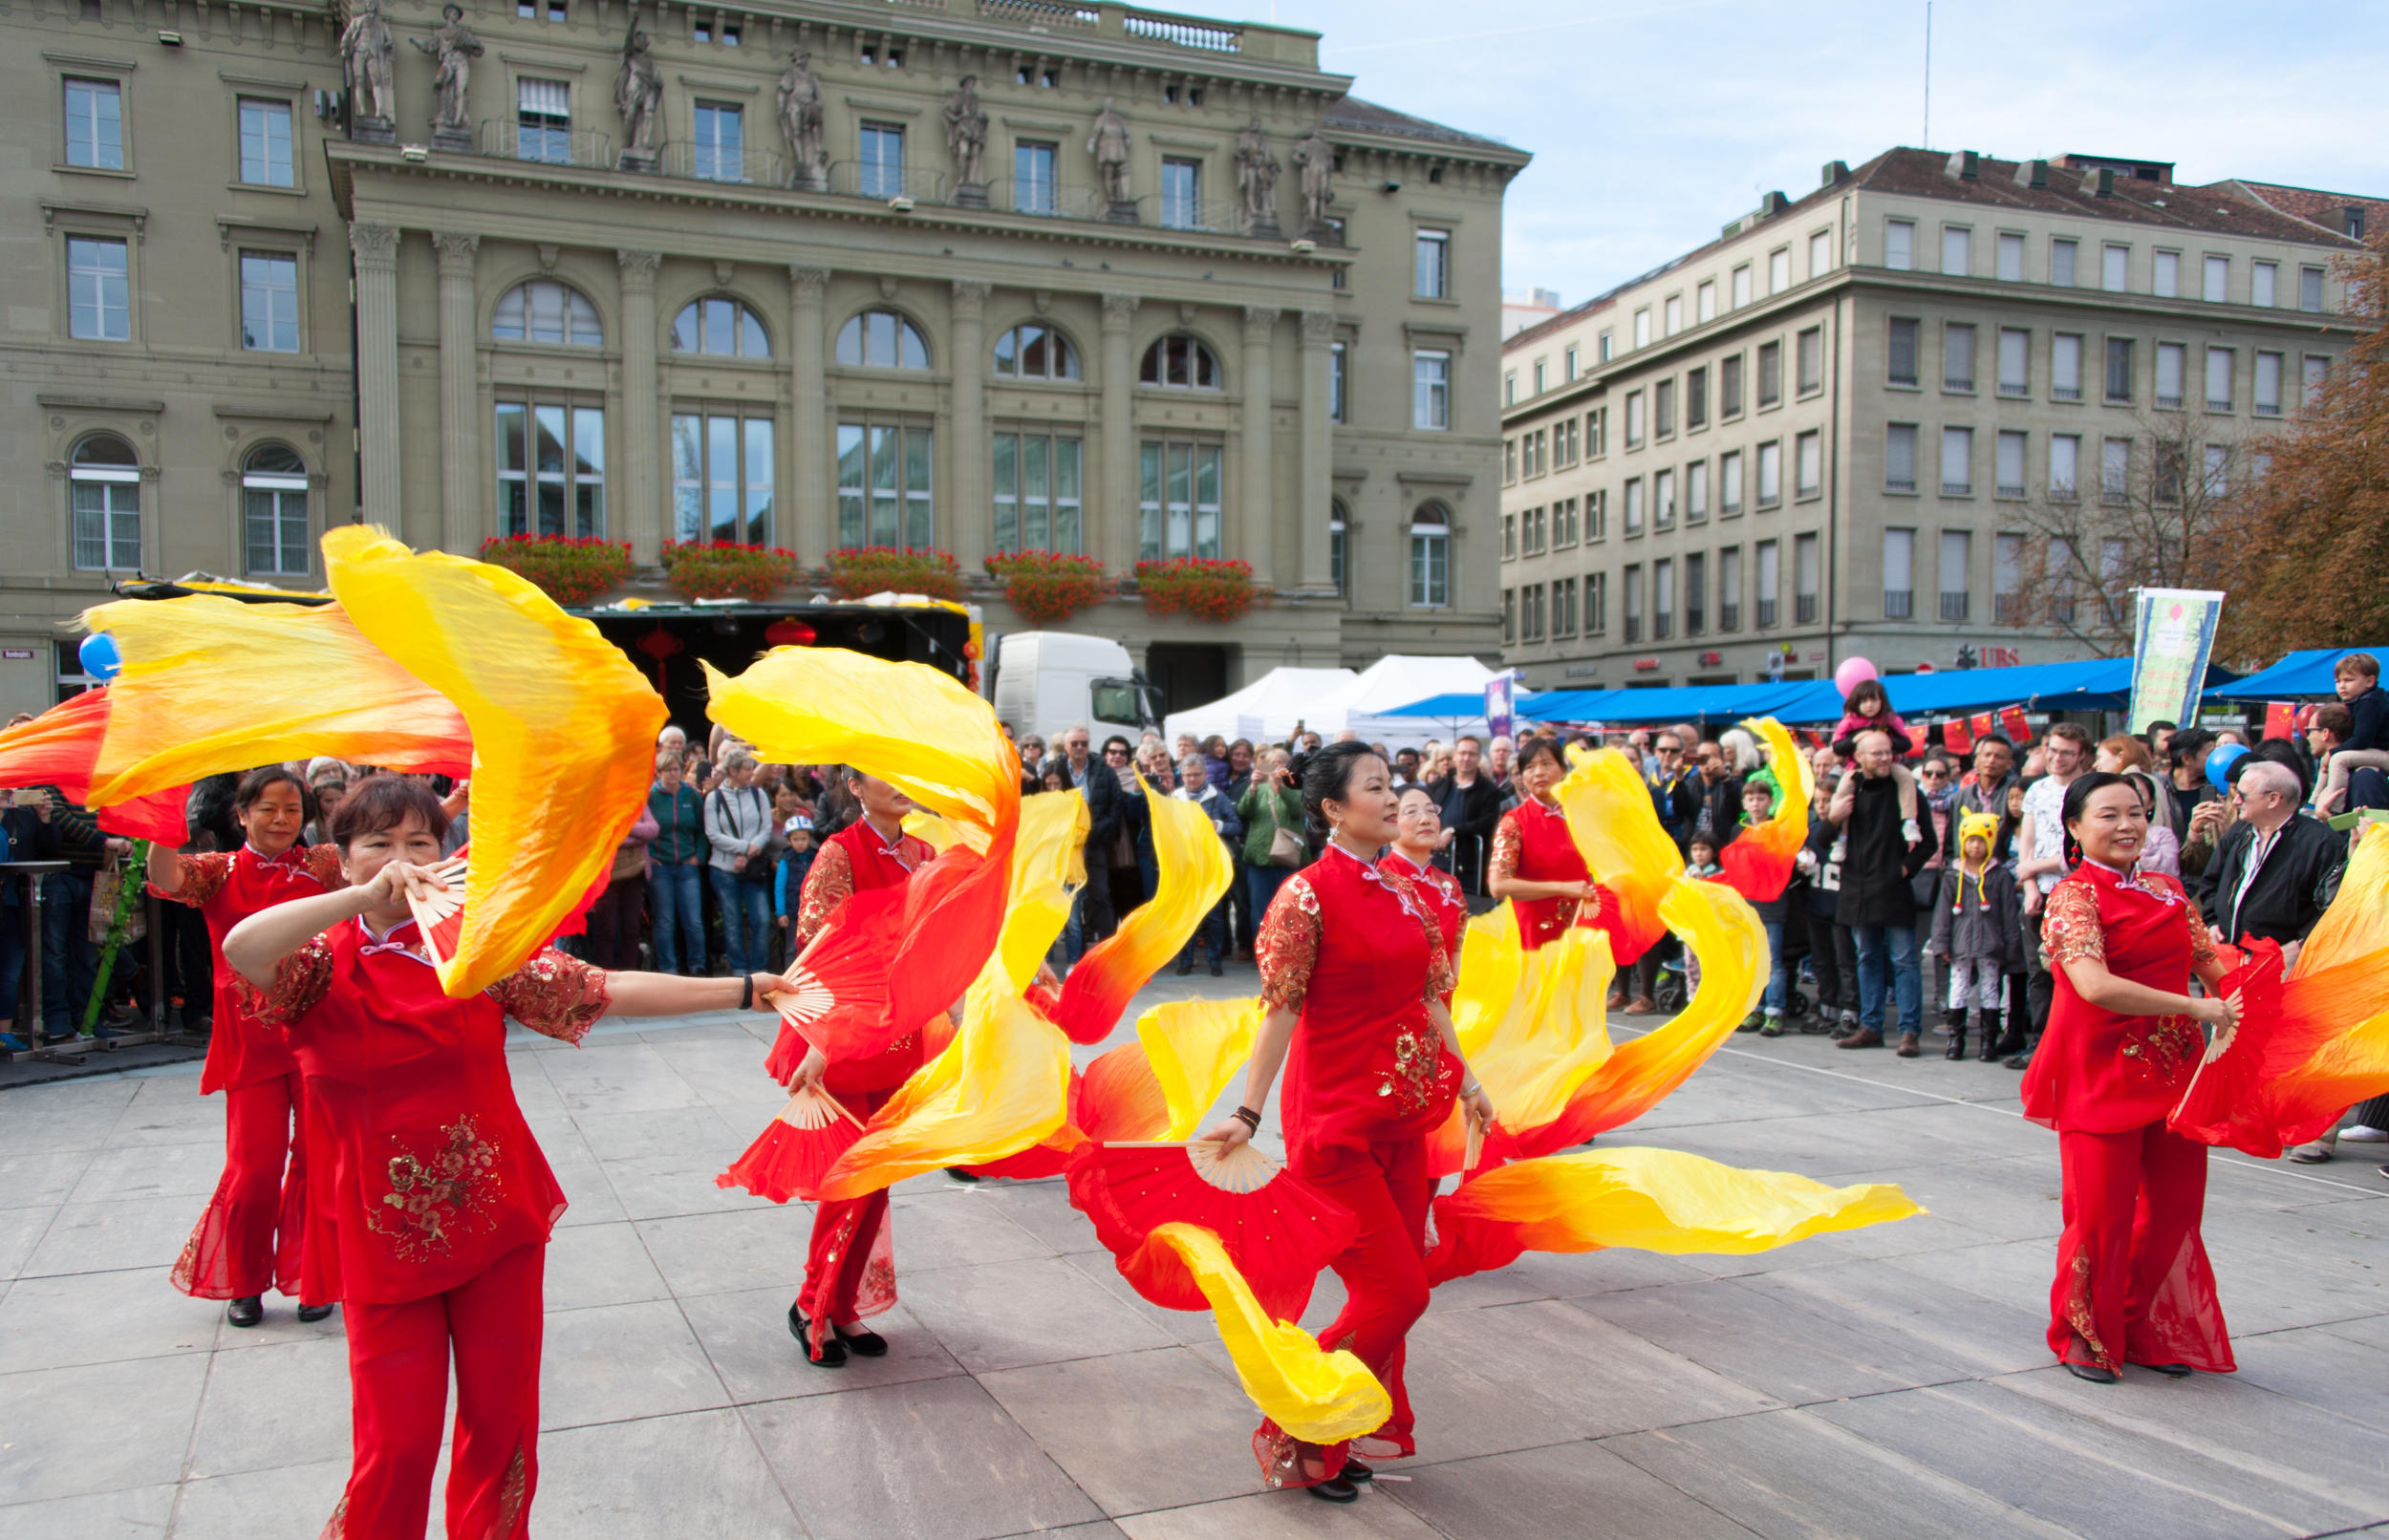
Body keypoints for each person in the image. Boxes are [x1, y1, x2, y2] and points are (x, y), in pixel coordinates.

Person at [221, 774, 781, 1539]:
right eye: (377, 845)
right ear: (341, 858)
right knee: (397, 1443)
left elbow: (604, 987)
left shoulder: (479, 953)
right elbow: (239, 946)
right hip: (381, 1238)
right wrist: (361, 901)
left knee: (501, 1425)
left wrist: (745, 990)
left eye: (419, 843)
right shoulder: (316, 964)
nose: (401, 861)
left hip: (496, 1225)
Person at [1207, 743, 1493, 1502]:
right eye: (1377, 787)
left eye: (1393, 783)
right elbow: (1280, 1008)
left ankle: (1337, 1433)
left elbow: (1431, 998)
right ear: (1334, 809)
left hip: (1402, 1121)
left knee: (1392, 1292)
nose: (1395, 797)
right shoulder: (1306, 895)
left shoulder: (1406, 890)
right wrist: (1247, 1112)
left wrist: (1468, 1081)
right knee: (1400, 1293)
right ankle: (1298, 1420)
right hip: (1334, 1125)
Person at [2020, 772, 2239, 1384]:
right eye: (2109, 814)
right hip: (2100, 1072)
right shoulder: (2073, 897)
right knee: (2100, 1215)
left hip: (2174, 1072)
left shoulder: (2170, 890)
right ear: (2074, 827)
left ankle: (2142, 1326)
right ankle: (2082, 1335)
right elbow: (2094, 985)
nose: (2126, 826)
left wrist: (2281, 975)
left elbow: (2214, 966)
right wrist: (2198, 1008)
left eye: (2137, 813)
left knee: (2172, 1211)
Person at [143, 767, 339, 1328]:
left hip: (317, 1035)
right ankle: (245, 1280)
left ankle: (312, 1277)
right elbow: (165, 875)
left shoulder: (323, 865)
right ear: (242, 814)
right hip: (249, 1044)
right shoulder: (219, 871)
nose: (282, 820)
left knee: (319, 1161)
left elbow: (381, 853)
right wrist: (163, 821)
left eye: (293, 810)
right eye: (269, 809)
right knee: (252, 1169)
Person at [782, 766, 940, 1366]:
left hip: (899, 1034)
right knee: (846, 1182)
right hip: (846, 1035)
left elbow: (944, 936)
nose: (902, 782)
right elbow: (820, 953)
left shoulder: (924, 852)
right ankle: (809, 1307)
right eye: (885, 773)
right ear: (854, 785)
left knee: (876, 1180)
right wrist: (825, 1043)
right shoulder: (838, 854)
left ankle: (843, 1307)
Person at [1825, 728, 1938, 1055]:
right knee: (1867, 958)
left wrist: (1904, 868)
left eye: (1888, 752)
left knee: (1904, 960)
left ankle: (1909, 1031)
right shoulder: (1850, 788)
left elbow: (1928, 841)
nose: (1886, 758)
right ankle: (1871, 1026)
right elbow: (1822, 839)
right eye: (1878, 754)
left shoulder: (1907, 789)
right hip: (1858, 889)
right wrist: (1833, 819)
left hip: (1893, 888)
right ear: (1859, 758)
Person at [2012, 723, 2092, 1068]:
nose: (2057, 759)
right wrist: (2029, 883)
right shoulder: (2037, 790)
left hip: (2073, 887)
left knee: (2073, 971)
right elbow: (2024, 845)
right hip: (2040, 890)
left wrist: (2034, 867)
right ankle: (2040, 1042)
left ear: (2081, 756)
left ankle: (2072, 1045)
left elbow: (2082, 851)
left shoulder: (2087, 790)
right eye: (2052, 750)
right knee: (2038, 972)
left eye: (2066, 753)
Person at [1487, 737, 1607, 958]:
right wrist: (1563, 888)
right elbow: (1498, 885)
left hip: (1582, 923)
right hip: (1534, 931)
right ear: (1522, 777)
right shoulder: (1514, 822)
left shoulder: (1580, 815)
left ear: (1563, 770)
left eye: (1546, 764)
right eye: (1530, 767)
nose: (1538, 773)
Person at [1926, 810, 2024, 1061]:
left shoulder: (2000, 876)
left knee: (1990, 990)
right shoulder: (1952, 876)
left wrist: (2011, 948)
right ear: (1962, 842)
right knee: (1957, 990)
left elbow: (2009, 915)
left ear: (1990, 843)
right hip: (1959, 945)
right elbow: (1942, 915)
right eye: (1970, 840)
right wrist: (1941, 943)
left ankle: (1987, 1042)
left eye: (1981, 840)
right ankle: (1955, 1040)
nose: (1975, 845)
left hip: (1991, 945)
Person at [1729, 780, 1794, 1036]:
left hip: (1772, 904)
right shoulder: (1739, 830)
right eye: (1751, 799)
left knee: (1774, 960)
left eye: (1761, 799)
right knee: (1754, 960)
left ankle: (1775, 1011)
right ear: (1744, 803)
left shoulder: (1777, 829)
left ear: (1771, 801)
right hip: (1748, 903)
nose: (1756, 804)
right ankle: (1754, 1008)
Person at [704, 750, 776, 977]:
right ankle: (738, 969)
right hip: (725, 869)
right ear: (733, 771)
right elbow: (713, 834)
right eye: (747, 768)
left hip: (753, 867)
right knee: (732, 920)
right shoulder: (714, 798)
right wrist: (744, 848)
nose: (751, 773)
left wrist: (752, 849)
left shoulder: (759, 795)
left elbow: (766, 828)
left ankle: (758, 968)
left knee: (762, 918)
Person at [1382, 784, 1468, 972]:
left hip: (1443, 998)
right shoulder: (1378, 881)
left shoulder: (1450, 886)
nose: (1425, 820)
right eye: (1411, 812)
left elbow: (1457, 958)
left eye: (1431, 811)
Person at [1172, 755, 1241, 976]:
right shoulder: (1175, 797)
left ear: (1204, 774)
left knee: (1214, 915)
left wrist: (1217, 825)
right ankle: (1186, 960)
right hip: (1185, 864)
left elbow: (1236, 825)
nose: (1192, 779)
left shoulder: (1217, 797)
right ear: (1182, 776)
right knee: (1186, 916)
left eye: (1196, 775)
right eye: (1188, 775)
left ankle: (1214, 959)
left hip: (1211, 864)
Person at [645, 747, 706, 976]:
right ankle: (668, 968)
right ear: (658, 773)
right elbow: (645, 826)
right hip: (662, 865)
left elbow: (702, 830)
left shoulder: (691, 795)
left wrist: (698, 856)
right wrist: (649, 855)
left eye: (677, 769)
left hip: (687, 866)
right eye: (668, 770)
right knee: (664, 921)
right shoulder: (651, 795)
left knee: (693, 921)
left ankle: (697, 966)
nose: (673, 774)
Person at [584, 790, 657, 972]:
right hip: (607, 876)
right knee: (606, 928)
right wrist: (632, 830)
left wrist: (623, 826)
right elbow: (600, 835)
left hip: (634, 873)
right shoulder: (596, 802)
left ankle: (630, 973)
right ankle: (605, 976)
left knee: (632, 927)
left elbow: (652, 830)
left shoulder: (634, 799)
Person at [1424, 736, 1503, 897]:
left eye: (1472, 754)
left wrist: (1454, 830)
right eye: (1462, 753)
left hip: (1470, 866)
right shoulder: (1437, 787)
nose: (1466, 758)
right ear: (1455, 756)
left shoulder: (1489, 791)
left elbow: (1488, 822)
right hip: (1436, 861)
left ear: (1479, 758)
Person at [1238, 746, 1306, 930]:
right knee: (1260, 910)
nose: (1276, 767)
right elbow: (1244, 811)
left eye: (1280, 763)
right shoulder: (1259, 788)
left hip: (1288, 859)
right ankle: (1261, 954)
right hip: (1260, 859)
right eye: (1272, 763)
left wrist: (1281, 787)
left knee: (1288, 908)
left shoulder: (1296, 788)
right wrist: (1252, 787)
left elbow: (1297, 811)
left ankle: (1286, 950)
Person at [2316, 653, 2388, 815]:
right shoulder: (2360, 701)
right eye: (2338, 681)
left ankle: (2335, 807)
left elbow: (2362, 739)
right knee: (2328, 760)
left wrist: (2334, 751)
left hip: (2384, 753)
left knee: (2339, 759)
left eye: (2349, 680)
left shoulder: (2369, 702)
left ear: (2369, 681)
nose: (2342, 686)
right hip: (2375, 752)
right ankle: (2313, 803)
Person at [1831, 677, 1908, 757]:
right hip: (1857, 765)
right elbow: (1837, 748)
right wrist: (1854, 739)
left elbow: (1906, 744)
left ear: (1882, 701)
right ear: (1856, 703)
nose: (1869, 705)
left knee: (1901, 770)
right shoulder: (1849, 722)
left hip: (1888, 764)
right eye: (1864, 701)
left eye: (1874, 700)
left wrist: (1887, 740)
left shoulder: (1891, 719)